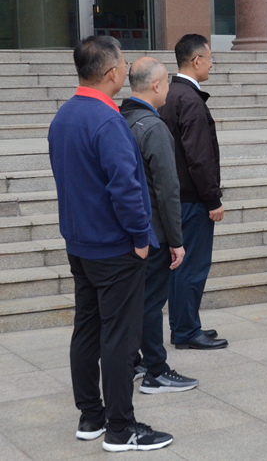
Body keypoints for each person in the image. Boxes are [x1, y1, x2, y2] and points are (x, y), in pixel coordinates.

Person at [48, 36, 173, 451]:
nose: (125, 68)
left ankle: (91, 416)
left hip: (80, 244)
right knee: (119, 338)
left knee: (87, 329)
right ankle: (121, 428)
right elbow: (126, 188)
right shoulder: (107, 120)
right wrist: (140, 238)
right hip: (114, 247)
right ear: (112, 72)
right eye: (122, 62)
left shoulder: (64, 115)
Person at [121, 57, 199, 394]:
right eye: (166, 82)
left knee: (137, 301)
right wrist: (176, 240)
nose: (168, 88)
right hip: (152, 232)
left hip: (129, 229)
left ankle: (134, 362)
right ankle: (156, 370)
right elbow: (168, 190)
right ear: (156, 85)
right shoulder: (153, 127)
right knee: (151, 303)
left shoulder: (120, 120)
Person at [159, 34, 228, 350]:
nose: (212, 64)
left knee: (180, 265)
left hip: (177, 197)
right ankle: (186, 331)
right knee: (192, 266)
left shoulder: (170, 94)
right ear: (197, 60)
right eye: (210, 58)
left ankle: (184, 326)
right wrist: (212, 199)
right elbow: (199, 157)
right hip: (192, 200)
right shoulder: (189, 100)